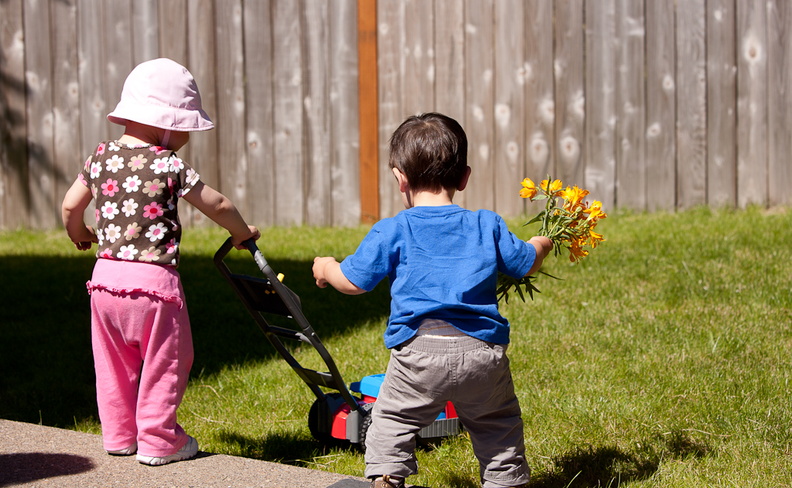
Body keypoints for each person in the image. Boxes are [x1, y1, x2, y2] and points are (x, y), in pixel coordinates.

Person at [312, 112, 553, 488]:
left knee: (391, 421)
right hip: (482, 355)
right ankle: (505, 482)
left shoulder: (394, 228)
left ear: (400, 178)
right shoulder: (485, 224)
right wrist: (542, 243)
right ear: (464, 177)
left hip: (418, 356)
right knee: (496, 426)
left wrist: (326, 267)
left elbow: (352, 282)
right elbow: (524, 263)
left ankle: (388, 478)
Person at [61, 58, 260, 466]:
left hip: (104, 284)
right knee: (165, 361)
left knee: (113, 362)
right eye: (185, 127)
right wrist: (241, 233)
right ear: (167, 123)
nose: (186, 135)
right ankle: (158, 440)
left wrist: (79, 233)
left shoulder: (101, 156)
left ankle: (118, 435)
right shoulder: (168, 163)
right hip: (154, 286)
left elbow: (69, 206)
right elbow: (217, 204)